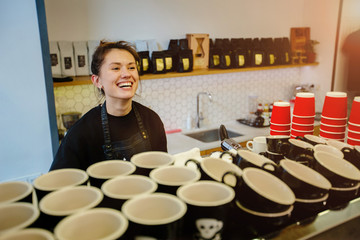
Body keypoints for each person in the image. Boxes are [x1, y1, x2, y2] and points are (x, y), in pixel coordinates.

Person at [50, 40, 167, 170]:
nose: (127, 74)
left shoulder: (151, 120)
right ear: (97, 81)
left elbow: (162, 171)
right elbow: (57, 184)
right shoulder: (81, 133)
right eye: (116, 68)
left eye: (131, 67)